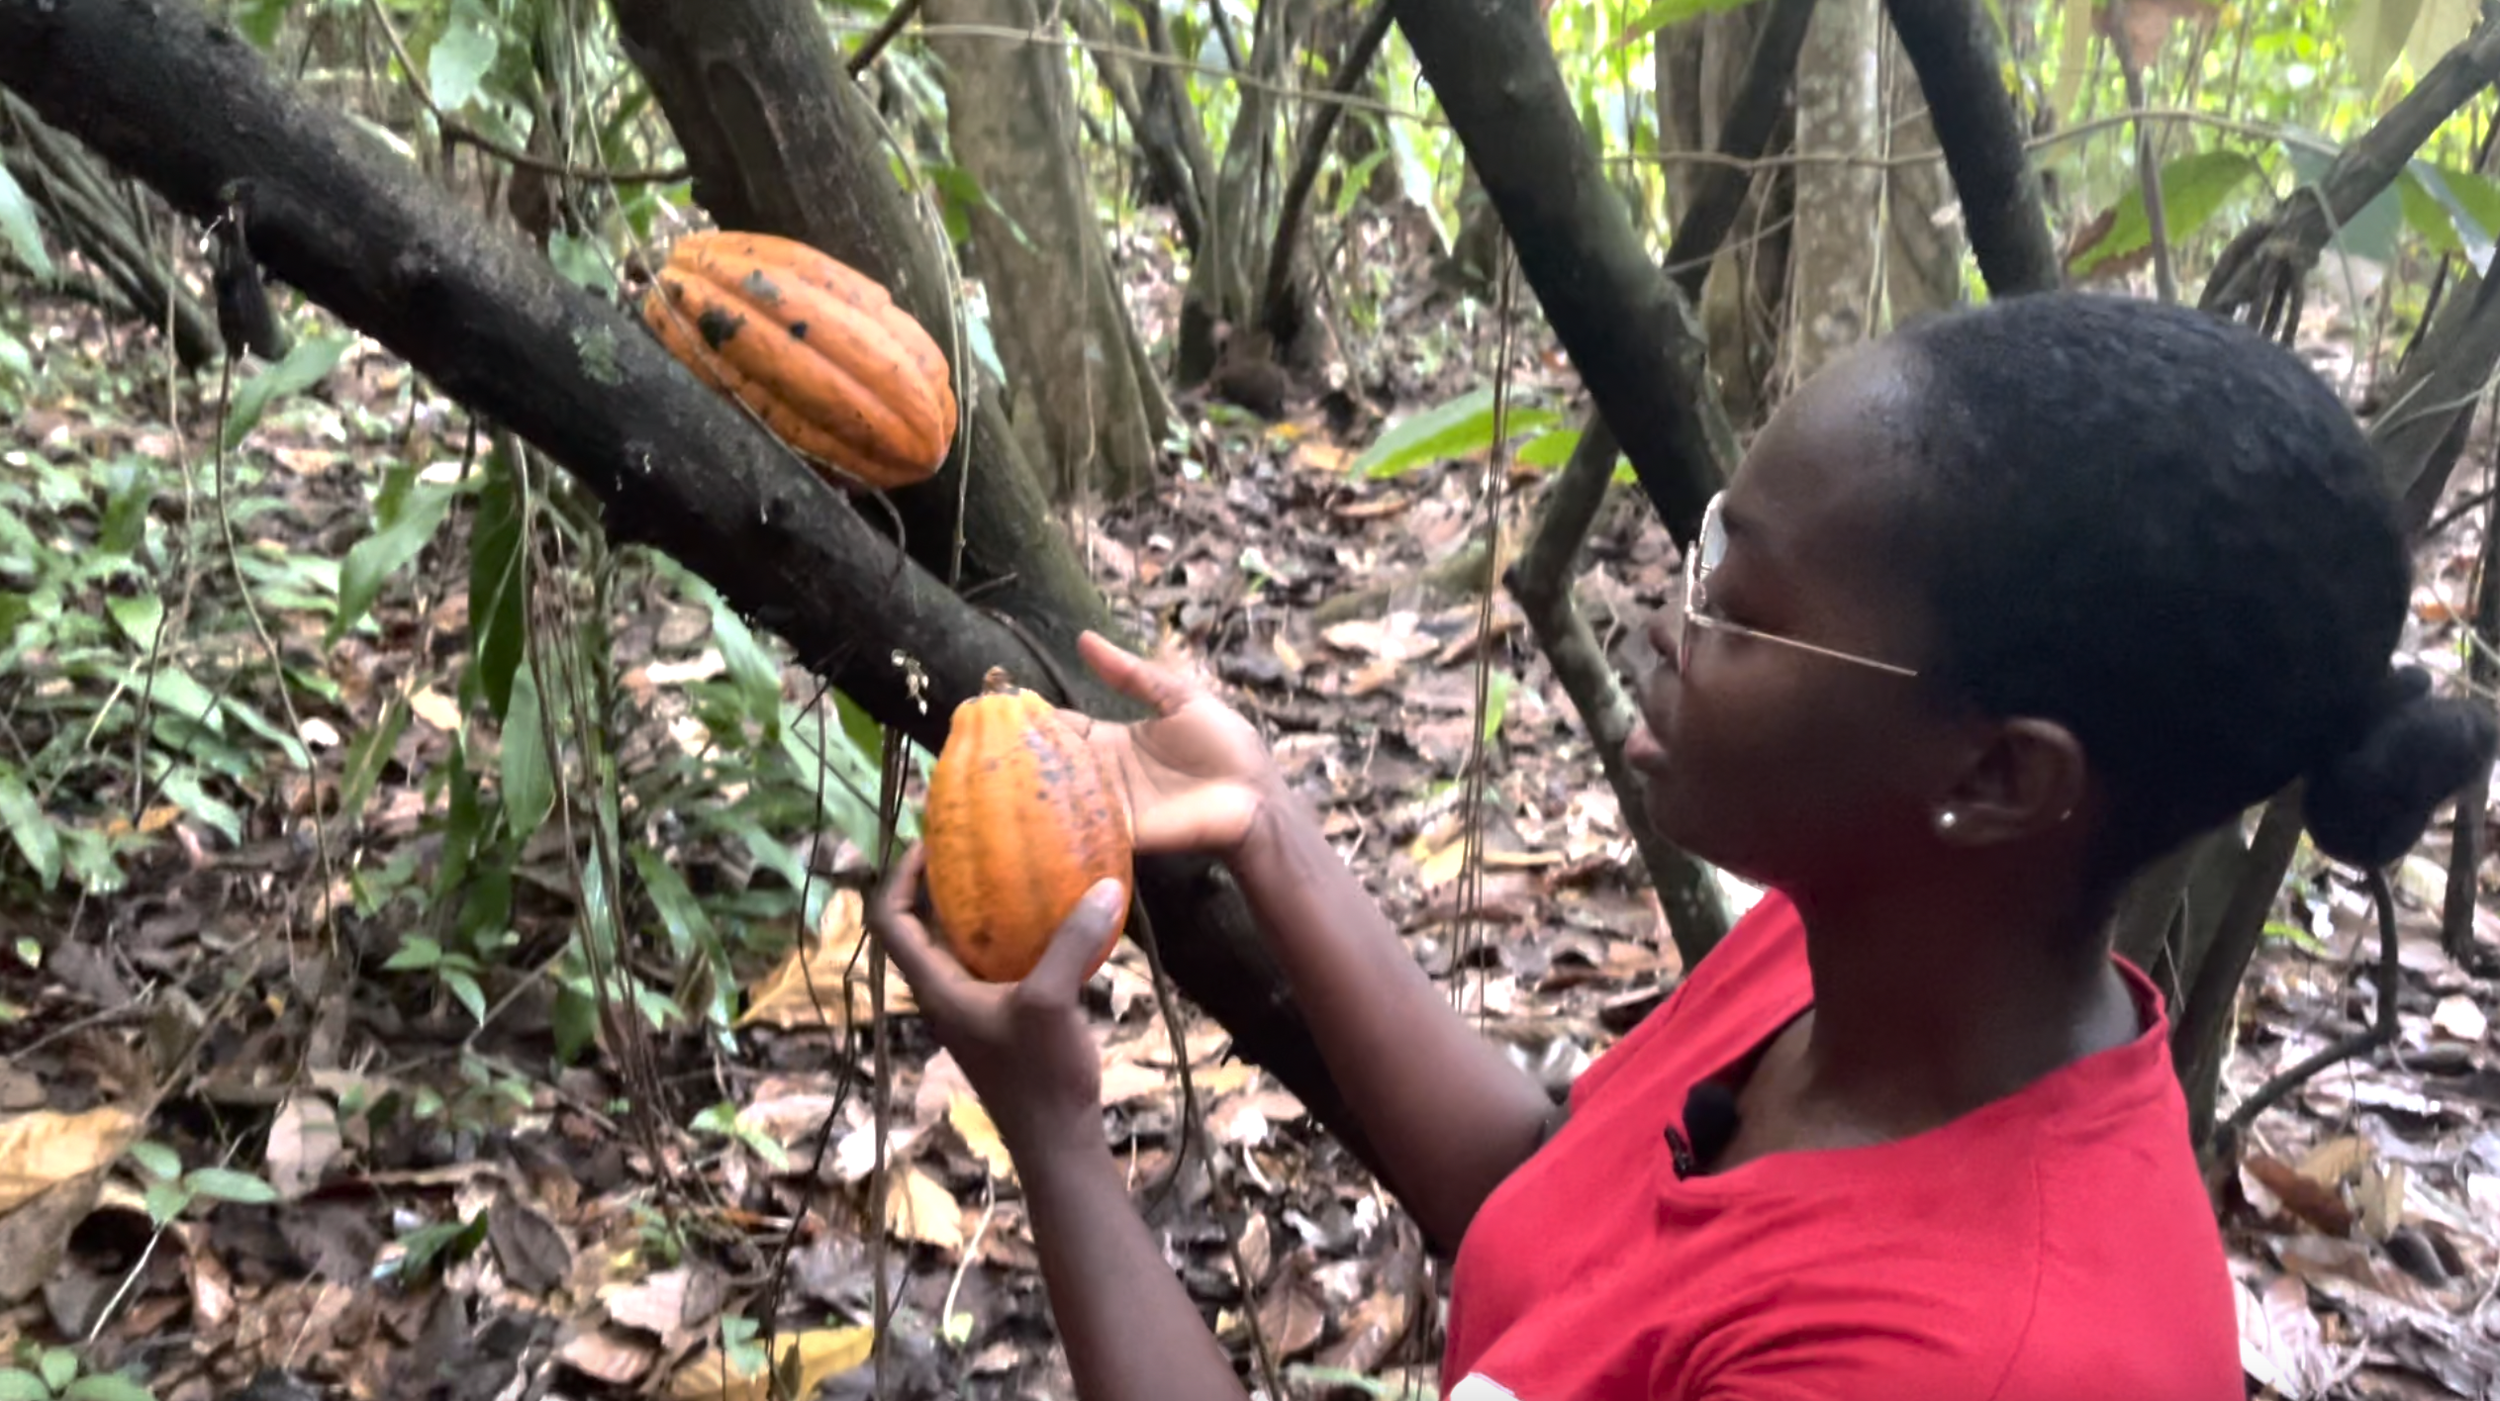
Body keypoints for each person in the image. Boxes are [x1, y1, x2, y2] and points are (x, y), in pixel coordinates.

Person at [866, 291, 2497, 1400]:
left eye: (1743, 603)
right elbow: (1551, 1213)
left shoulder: (1967, 1362)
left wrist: (1061, 1144)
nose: (1664, 613)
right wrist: (1274, 833)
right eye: (1706, 544)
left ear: (1998, 778)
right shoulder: (1866, 953)